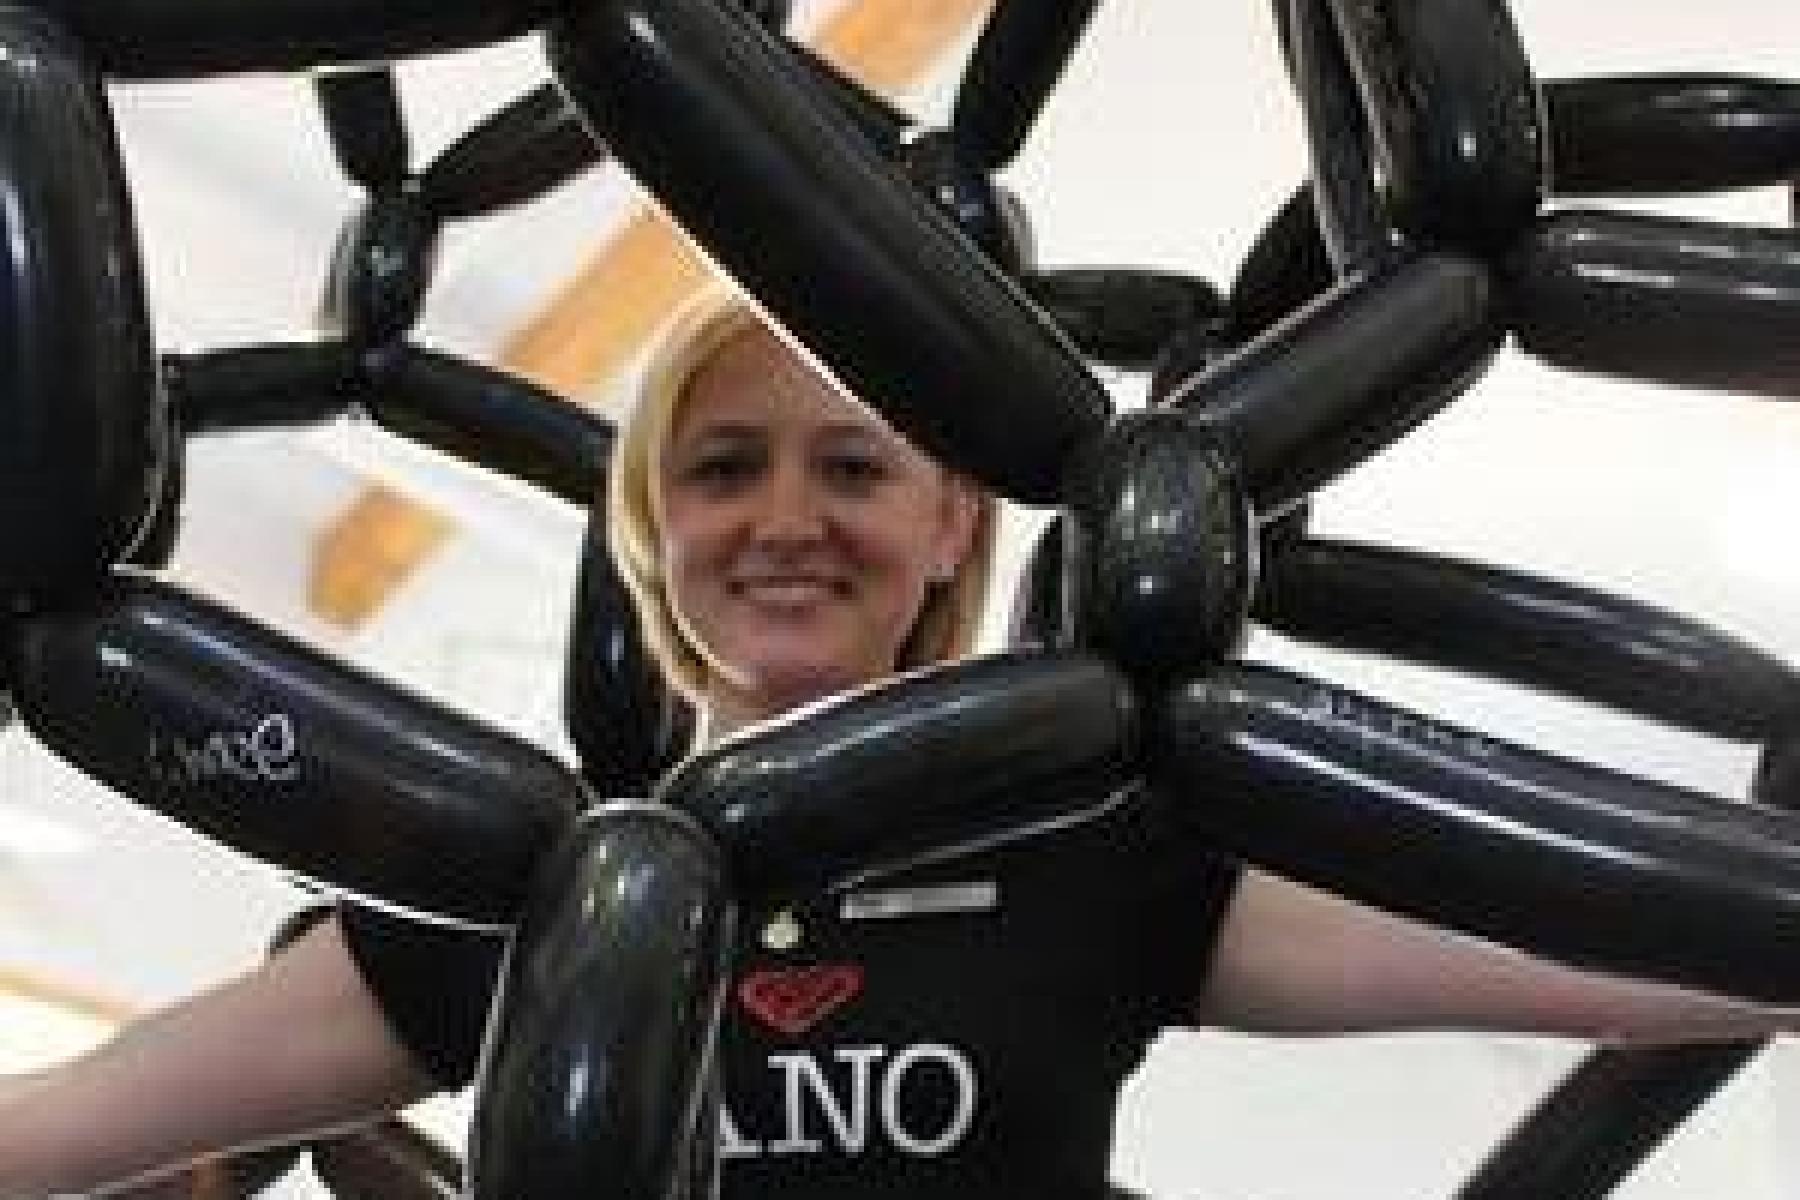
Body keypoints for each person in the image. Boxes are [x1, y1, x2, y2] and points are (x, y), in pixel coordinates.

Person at [0, 289, 1794, 1199]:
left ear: (950, 525)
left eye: (851, 465)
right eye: (724, 467)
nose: (786, 517)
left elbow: (1602, 957)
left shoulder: (1102, 855)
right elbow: (69, 1120)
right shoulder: (531, 899)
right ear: (654, 535)